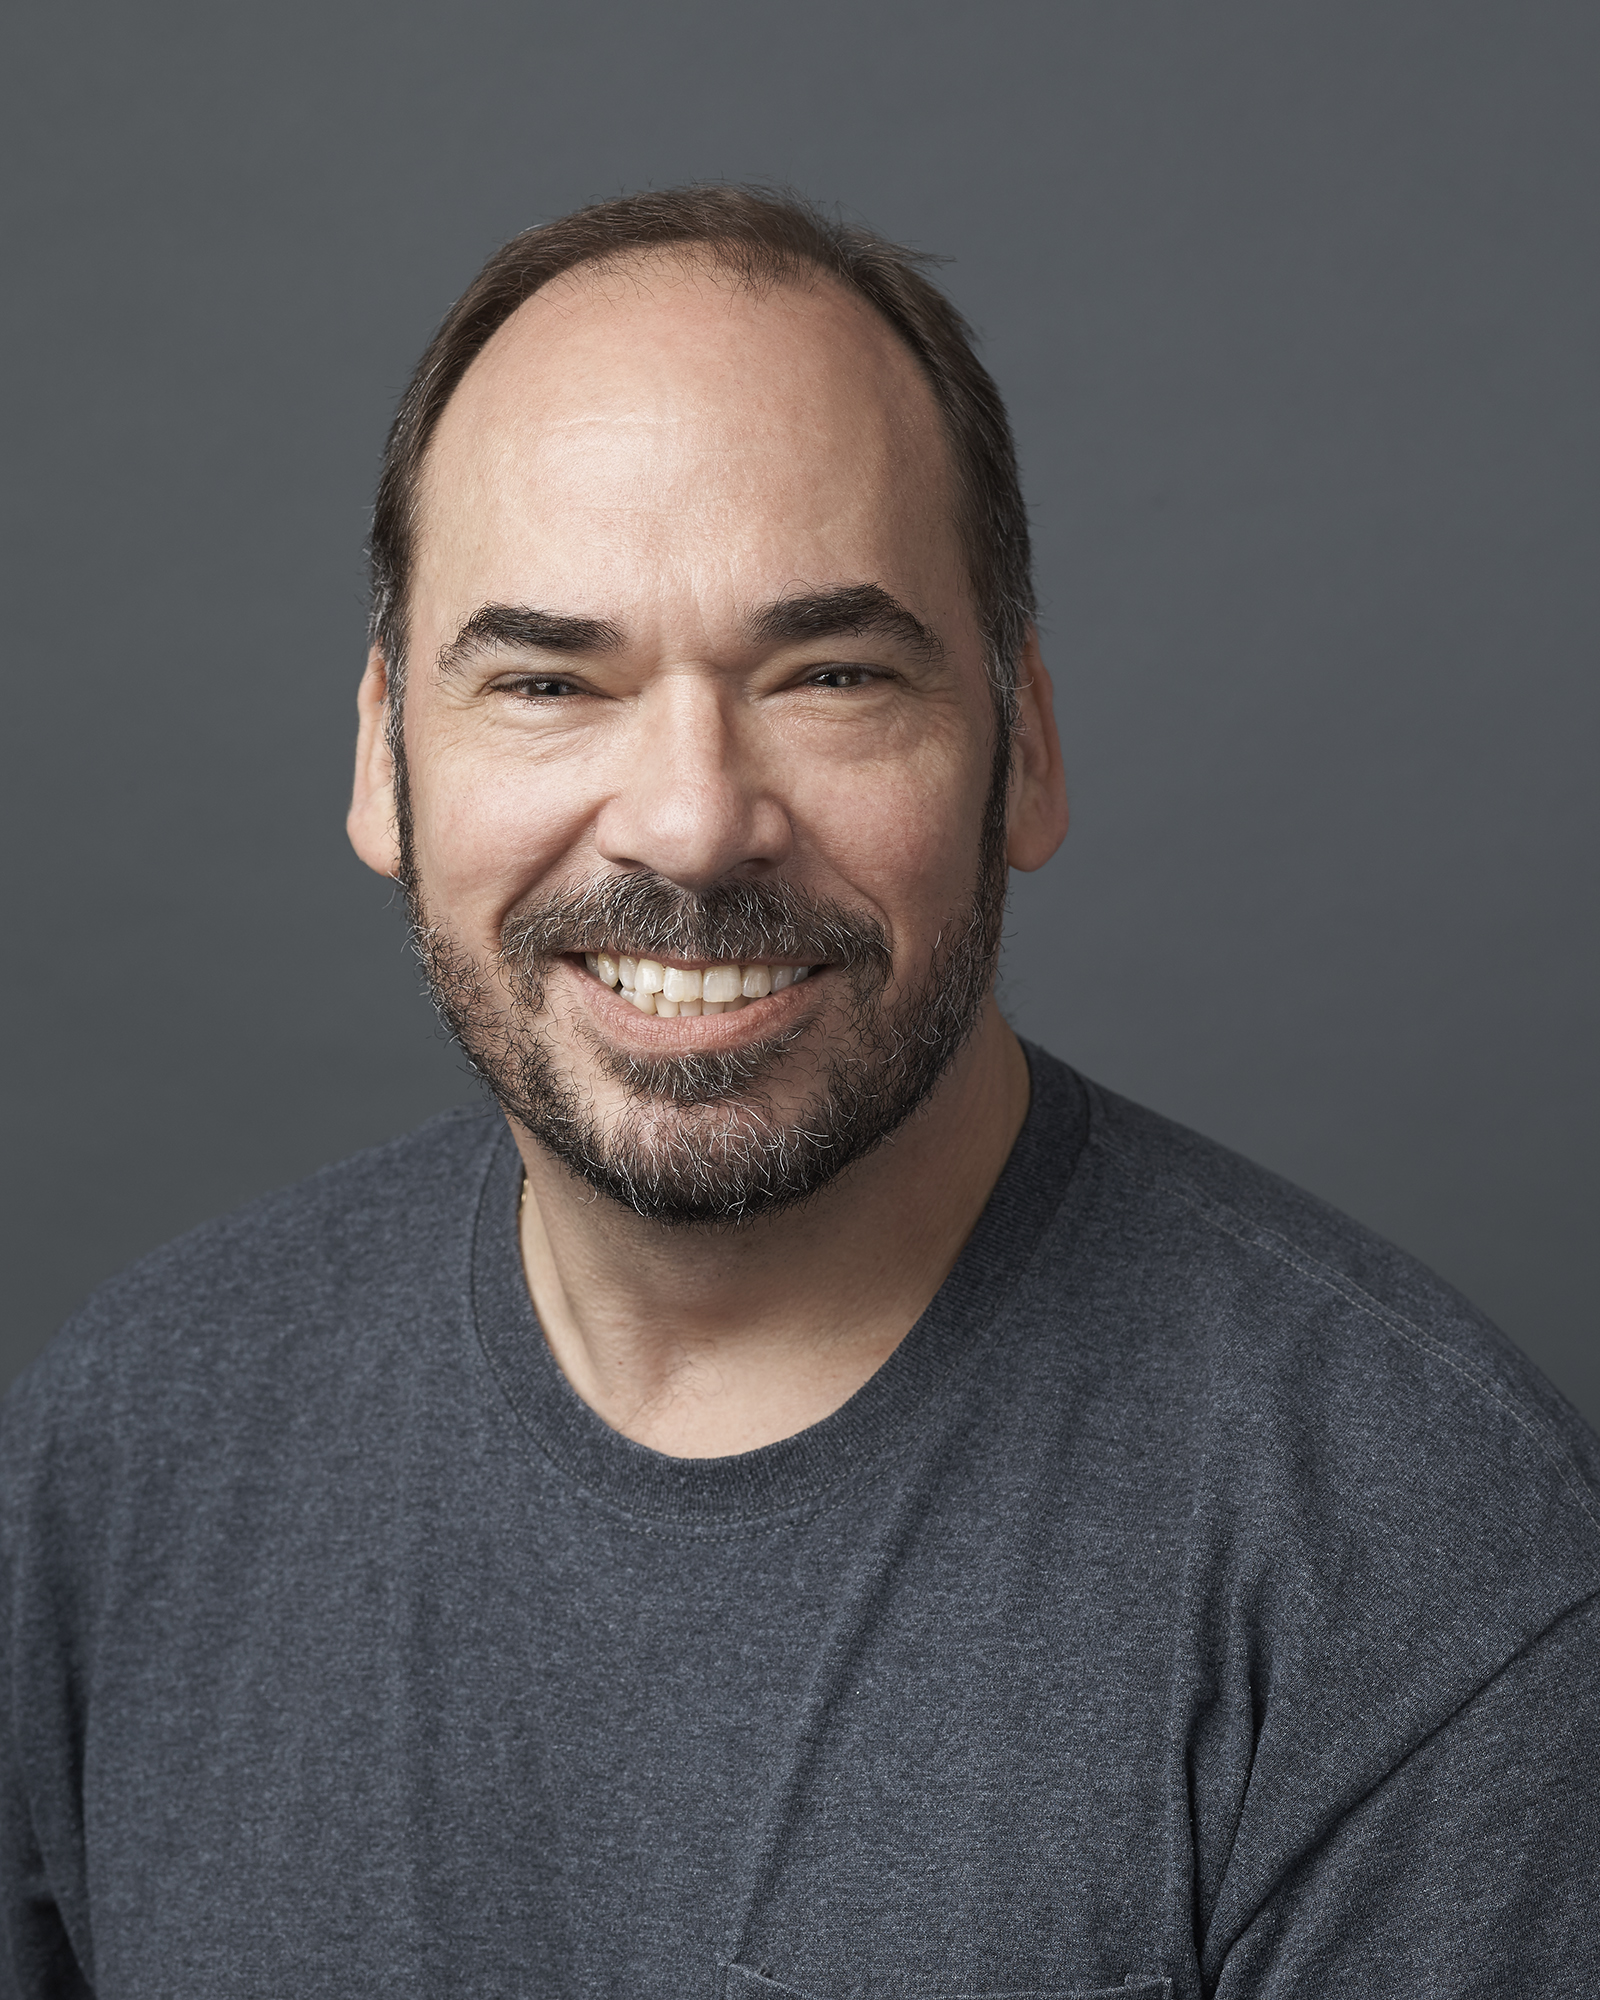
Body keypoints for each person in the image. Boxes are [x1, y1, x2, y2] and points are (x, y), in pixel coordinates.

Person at [2, 186, 1596, 2000]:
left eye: (831, 675)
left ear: (1023, 750)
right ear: (385, 761)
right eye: (548, 679)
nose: (692, 821)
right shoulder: (120, 1457)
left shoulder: (1424, 1570)